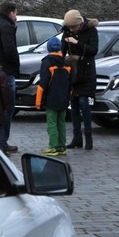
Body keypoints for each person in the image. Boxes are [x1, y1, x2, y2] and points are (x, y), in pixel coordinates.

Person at [0, 2, 21, 153]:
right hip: (6, 71)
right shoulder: (6, 27)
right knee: (7, 108)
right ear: (11, 13)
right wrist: (15, 66)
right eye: (15, 13)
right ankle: (1, 141)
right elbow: (10, 49)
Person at [63, 9, 99, 150]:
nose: (72, 29)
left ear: (80, 23)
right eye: (70, 27)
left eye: (74, 27)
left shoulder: (91, 30)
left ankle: (88, 138)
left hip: (87, 72)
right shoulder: (67, 31)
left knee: (84, 103)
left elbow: (93, 50)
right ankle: (76, 138)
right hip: (73, 71)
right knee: (74, 105)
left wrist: (76, 42)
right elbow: (63, 50)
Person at [36, 36, 72, 156]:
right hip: (64, 98)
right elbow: (70, 83)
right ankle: (62, 146)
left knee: (52, 123)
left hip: (51, 98)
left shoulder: (47, 62)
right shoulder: (66, 62)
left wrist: (38, 103)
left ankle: (53, 146)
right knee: (61, 123)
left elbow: (43, 84)